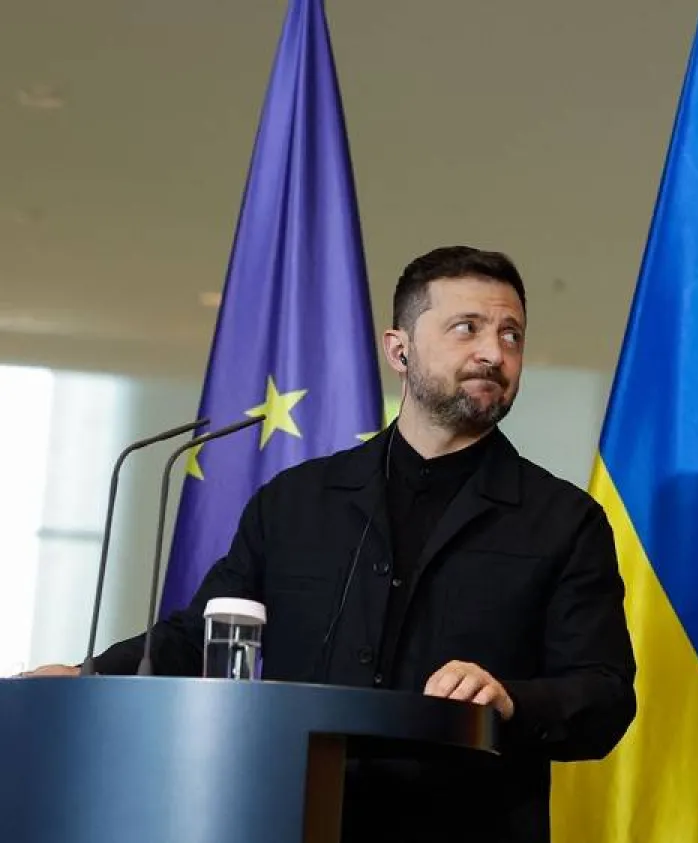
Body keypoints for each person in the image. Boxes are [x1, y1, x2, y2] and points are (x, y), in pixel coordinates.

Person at [26, 245, 636, 842]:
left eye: (511, 335)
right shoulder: (297, 501)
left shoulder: (564, 520)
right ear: (398, 349)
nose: (493, 353)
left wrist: (510, 699)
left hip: (465, 822)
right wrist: (87, 675)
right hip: (288, 815)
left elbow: (605, 696)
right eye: (466, 328)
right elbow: (200, 636)